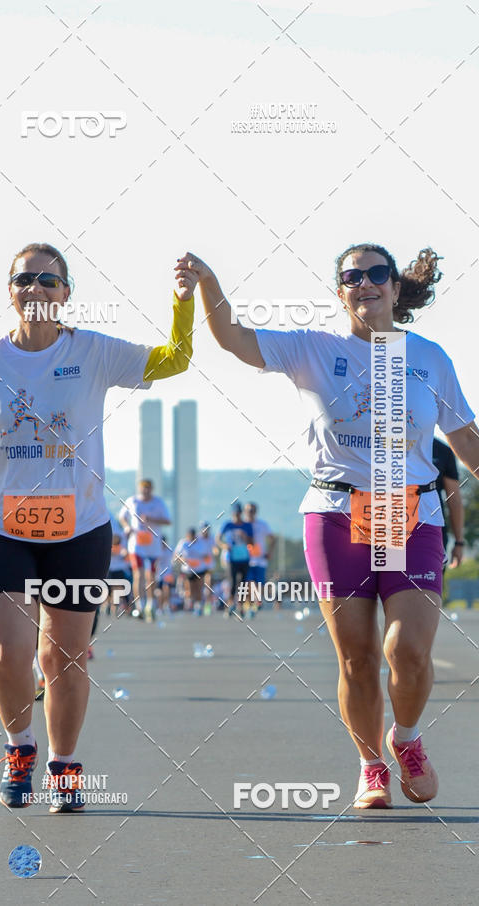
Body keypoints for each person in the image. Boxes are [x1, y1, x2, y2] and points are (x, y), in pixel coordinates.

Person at [0, 242, 196, 812]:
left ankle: (64, 765)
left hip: (80, 529)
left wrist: (183, 301)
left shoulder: (94, 352)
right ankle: (19, 747)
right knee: (5, 649)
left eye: (49, 281)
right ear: (10, 292)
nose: (37, 290)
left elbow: (174, 359)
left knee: (62, 658)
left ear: (66, 293)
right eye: (26, 280)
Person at [179, 245, 478, 808]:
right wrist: (210, 285)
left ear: (395, 288)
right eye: (351, 276)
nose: (365, 282)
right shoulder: (313, 347)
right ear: (340, 292)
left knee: (407, 650)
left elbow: (464, 437)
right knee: (358, 659)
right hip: (336, 513)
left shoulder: (429, 357)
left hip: (409, 514)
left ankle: (406, 738)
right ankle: (371, 767)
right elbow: (234, 339)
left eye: (376, 273)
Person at [119, 479, 171, 622]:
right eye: (143, 487)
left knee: (151, 577)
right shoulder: (132, 501)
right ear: (139, 488)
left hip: (153, 546)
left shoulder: (158, 503)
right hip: (136, 545)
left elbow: (168, 521)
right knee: (139, 575)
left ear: (152, 489)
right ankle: (140, 606)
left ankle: (150, 605)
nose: (146, 490)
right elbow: (122, 517)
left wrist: (152, 519)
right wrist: (127, 527)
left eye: (148, 487)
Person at [432, 437, 465, 569]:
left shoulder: (442, 450)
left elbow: (454, 500)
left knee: (429, 580)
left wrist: (459, 542)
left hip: (433, 531)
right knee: (389, 577)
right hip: (390, 530)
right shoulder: (382, 444)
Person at [217, 502, 253, 616]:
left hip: (244, 557)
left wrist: (245, 537)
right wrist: (224, 545)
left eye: (238, 513)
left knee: (243, 583)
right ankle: (230, 604)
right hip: (231, 558)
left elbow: (252, 542)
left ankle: (240, 606)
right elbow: (218, 539)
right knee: (232, 582)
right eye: (235, 513)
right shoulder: (227, 525)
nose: (236, 516)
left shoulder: (247, 525)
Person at [243, 502, 276, 615]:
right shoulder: (242, 525)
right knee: (248, 584)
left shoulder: (262, 525)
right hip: (246, 560)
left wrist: (269, 552)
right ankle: (248, 604)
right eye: (248, 511)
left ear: (256, 512)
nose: (250, 513)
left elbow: (272, 539)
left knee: (259, 584)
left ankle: (256, 604)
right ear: (244, 512)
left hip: (260, 560)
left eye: (252, 511)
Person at [173, 527, 208, 614]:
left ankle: (198, 606)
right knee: (189, 589)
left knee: (199, 588)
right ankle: (190, 604)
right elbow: (176, 555)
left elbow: (206, 555)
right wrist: (182, 559)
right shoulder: (183, 543)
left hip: (199, 569)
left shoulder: (200, 543)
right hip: (188, 570)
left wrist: (200, 560)